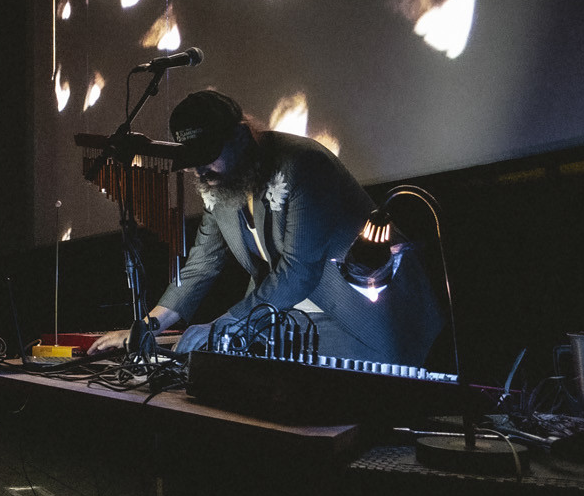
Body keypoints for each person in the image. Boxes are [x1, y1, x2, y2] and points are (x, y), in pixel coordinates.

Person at [88, 89, 444, 365]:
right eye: (193, 161)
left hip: (365, 318)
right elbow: (200, 267)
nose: (200, 171)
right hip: (291, 317)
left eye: (208, 157)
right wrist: (147, 326)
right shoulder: (220, 184)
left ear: (242, 137)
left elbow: (298, 272)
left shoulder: (303, 164)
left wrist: (223, 325)